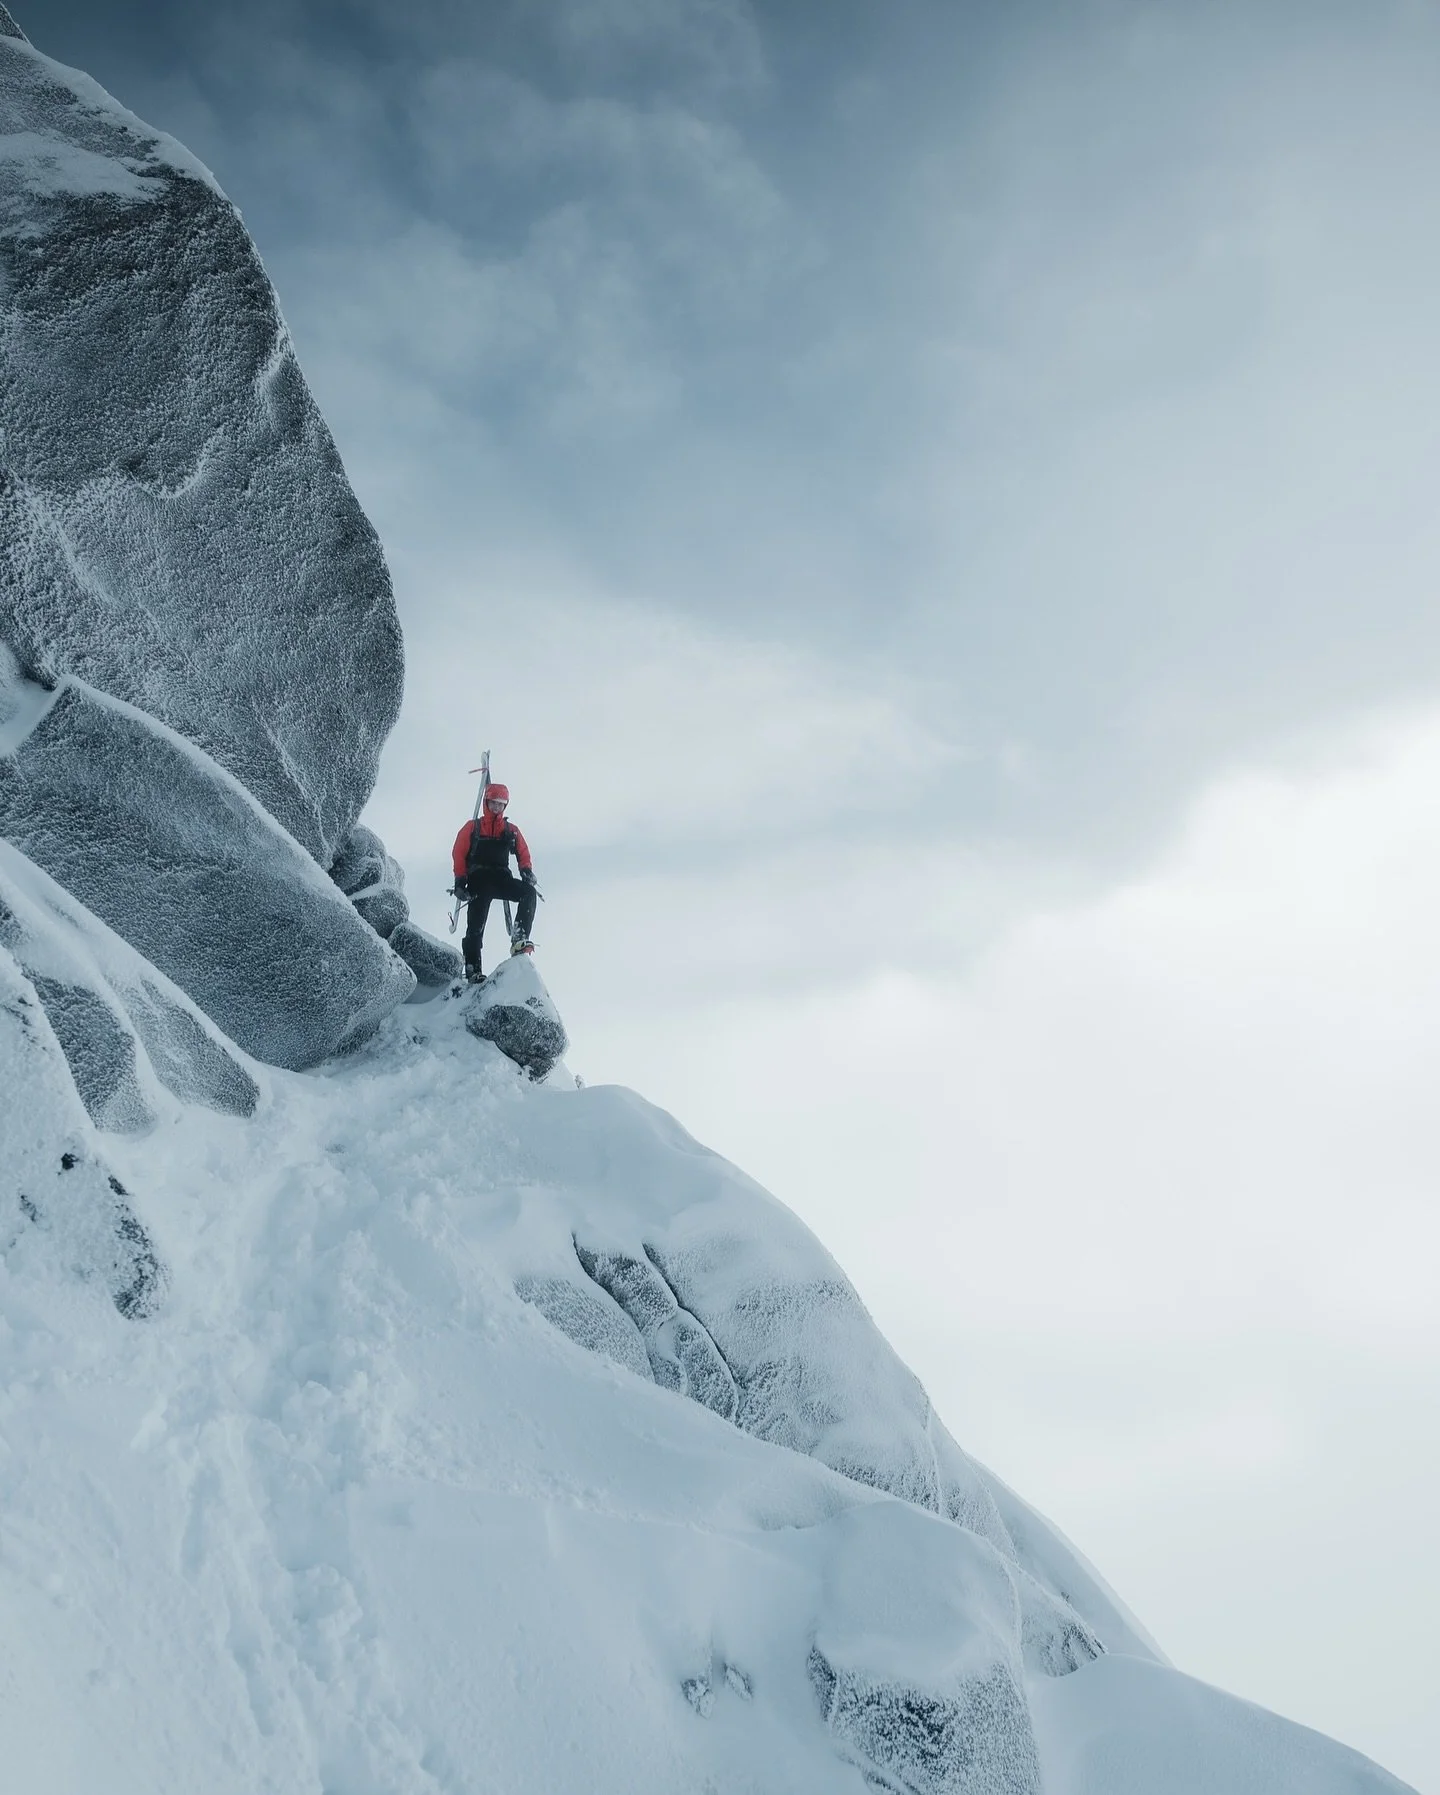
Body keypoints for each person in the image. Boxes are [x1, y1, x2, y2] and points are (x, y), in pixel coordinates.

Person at [452, 782, 538, 981]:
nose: (497, 807)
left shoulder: (510, 830)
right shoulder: (472, 828)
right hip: (478, 881)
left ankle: (519, 937)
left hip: (501, 879)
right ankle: (473, 968)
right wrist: (460, 881)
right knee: (476, 925)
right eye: (494, 803)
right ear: (486, 803)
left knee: (528, 893)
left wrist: (526, 870)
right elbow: (459, 852)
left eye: (501, 804)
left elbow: (522, 851)